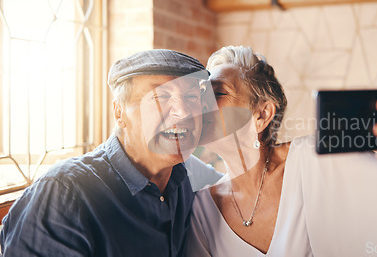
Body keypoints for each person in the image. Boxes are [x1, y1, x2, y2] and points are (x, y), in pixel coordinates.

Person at [187, 45, 377, 256]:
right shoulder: (199, 211)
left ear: (262, 115)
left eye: (218, 92)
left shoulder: (317, 160)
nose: (202, 104)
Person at [0, 49, 222, 256]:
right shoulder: (64, 193)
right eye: (160, 97)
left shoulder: (189, 175)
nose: (183, 112)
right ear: (119, 113)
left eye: (192, 97)